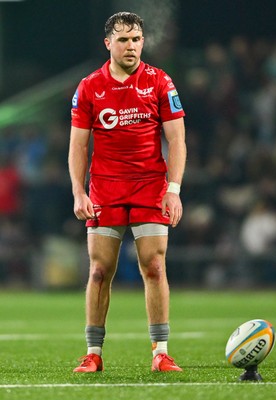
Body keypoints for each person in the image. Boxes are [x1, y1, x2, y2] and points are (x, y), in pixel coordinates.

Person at [68, 11, 186, 373]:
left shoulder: (161, 82)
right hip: (105, 189)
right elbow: (78, 147)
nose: (131, 46)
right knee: (100, 271)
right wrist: (78, 192)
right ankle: (93, 354)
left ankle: (160, 353)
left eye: (136, 39)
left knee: (154, 266)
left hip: (150, 187)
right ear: (109, 44)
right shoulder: (89, 87)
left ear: (143, 41)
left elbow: (177, 140)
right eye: (123, 40)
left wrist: (174, 189)